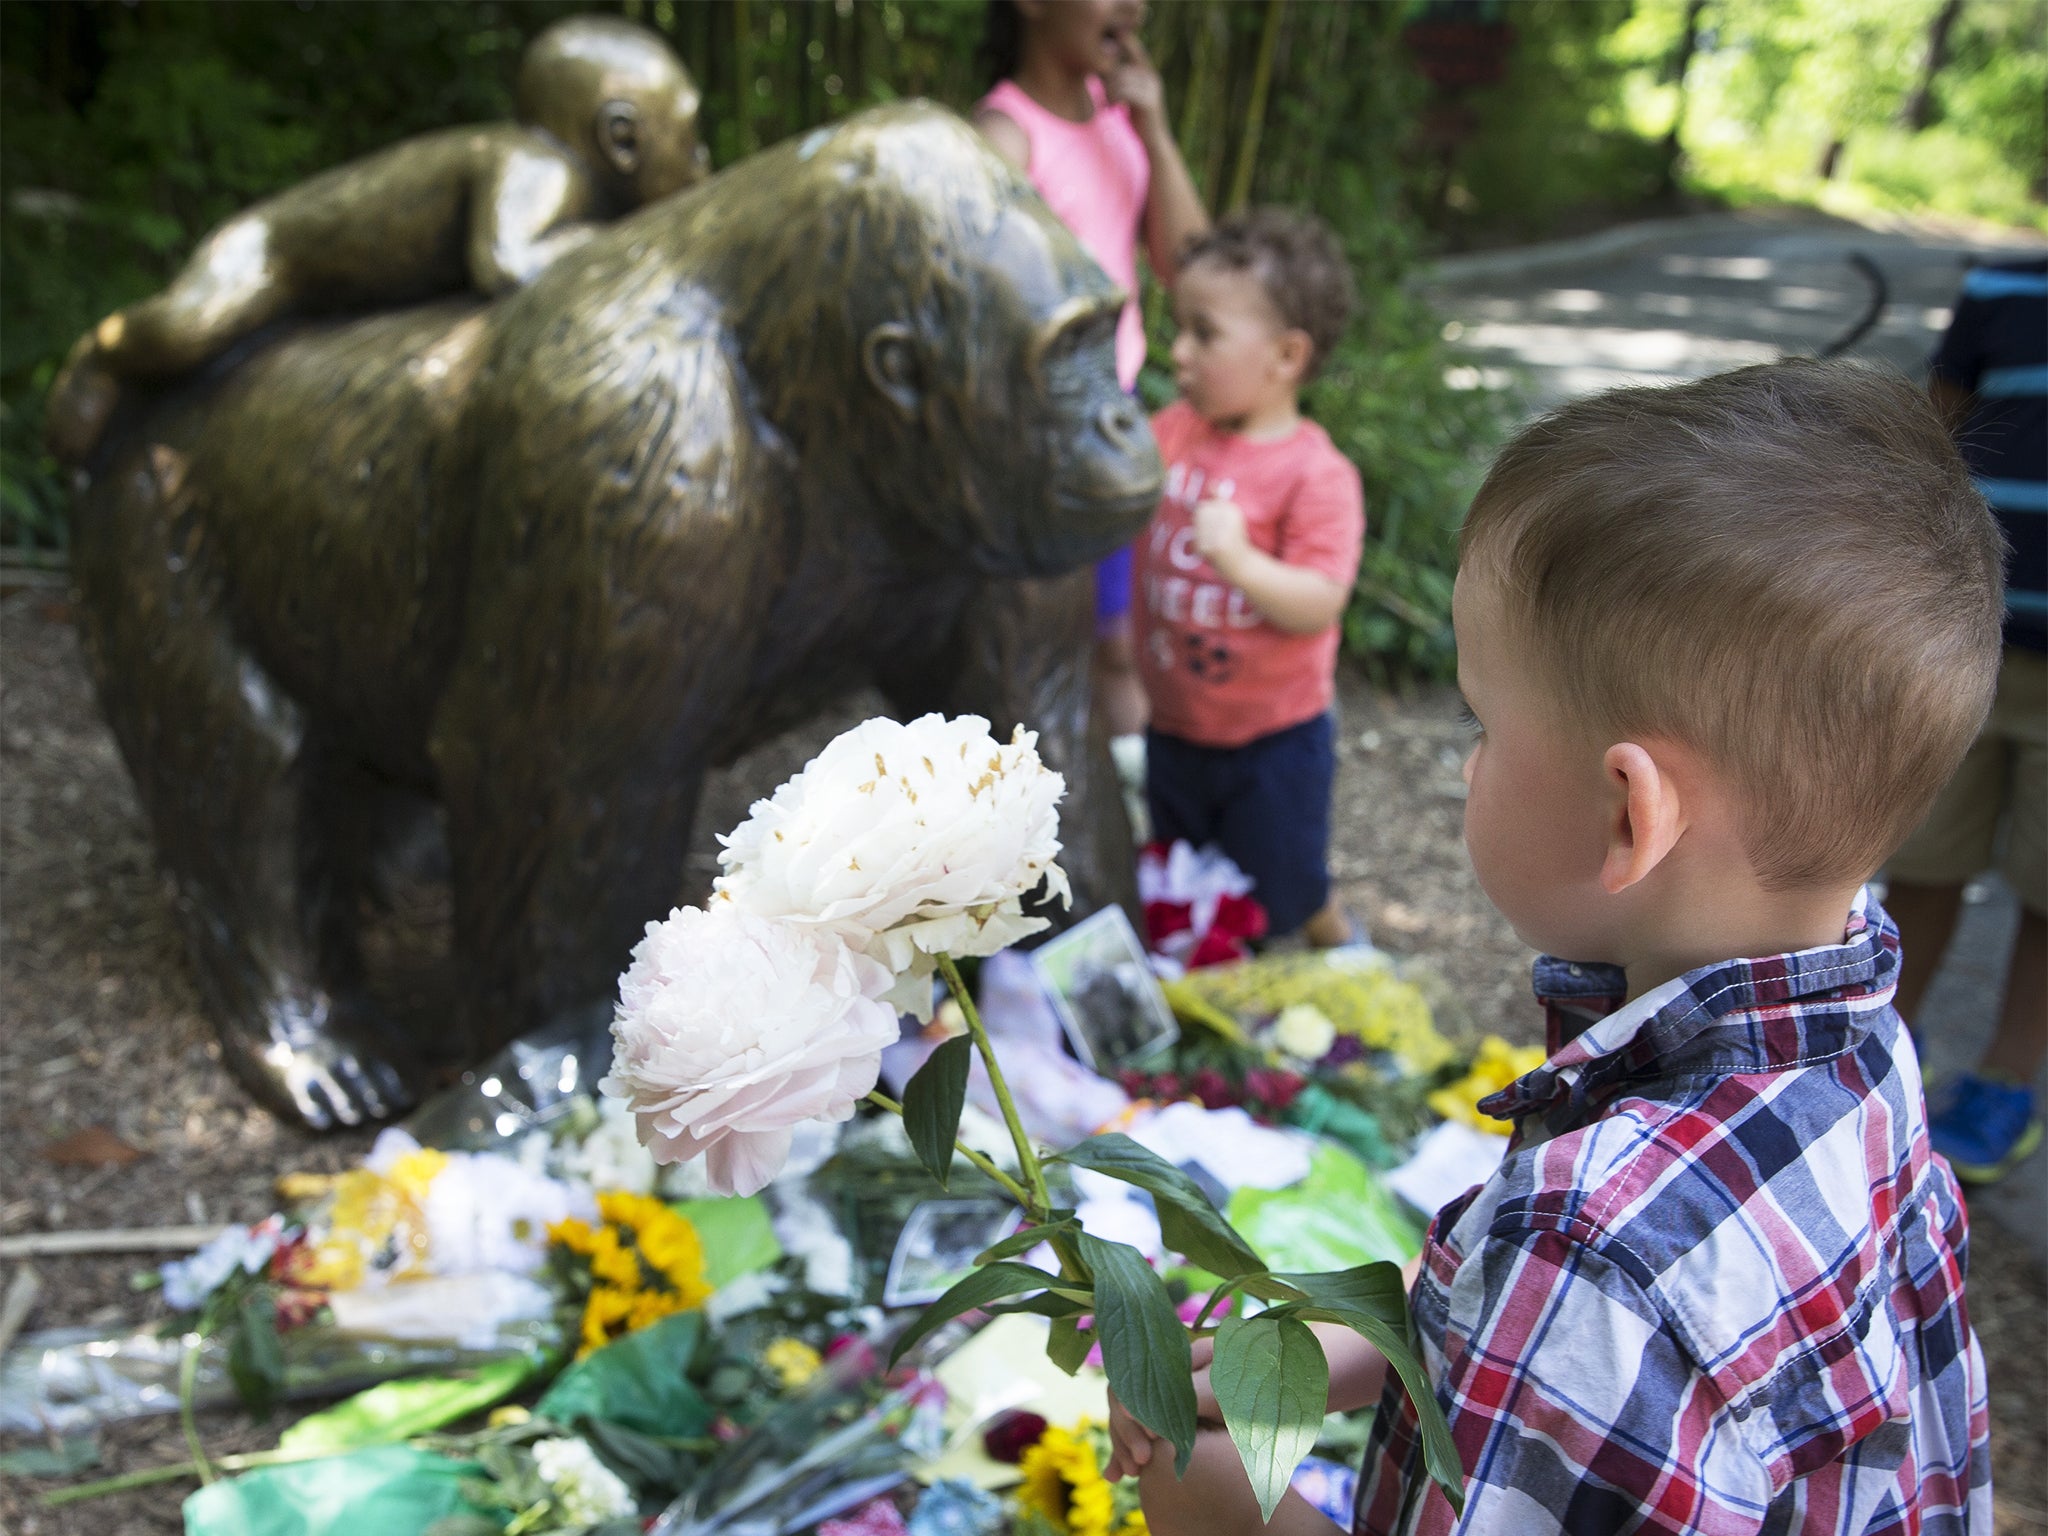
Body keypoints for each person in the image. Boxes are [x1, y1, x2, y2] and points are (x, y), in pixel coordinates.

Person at [1110, 360, 1997, 1534]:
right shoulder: (1854, 1029)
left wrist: (1209, 1499)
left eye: (1484, 722)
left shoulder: (1590, 1244)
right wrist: (1350, 1351)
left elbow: (1588, 1318)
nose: (1468, 763)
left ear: (1629, 815)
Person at [45, 15, 707, 465]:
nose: (702, 162)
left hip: (327, 289)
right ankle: (102, 352)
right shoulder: (538, 167)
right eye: (691, 139)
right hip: (272, 252)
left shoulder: (562, 183)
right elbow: (507, 262)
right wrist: (640, 244)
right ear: (620, 138)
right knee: (185, 328)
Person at [974, 0, 1209, 742]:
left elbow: (1191, 269)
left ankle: (1134, 837)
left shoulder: (1119, 123)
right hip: (1044, 428)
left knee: (1119, 643)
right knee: (1044, 644)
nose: (1135, 7)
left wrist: (1156, 131)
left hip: (1119, 408)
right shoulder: (1003, 135)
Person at [1134, 208, 1363, 947]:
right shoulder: (1172, 433)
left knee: (1281, 888)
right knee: (1188, 881)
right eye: (1180, 328)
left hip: (1273, 742)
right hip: (1175, 728)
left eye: (1205, 333)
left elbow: (1320, 601)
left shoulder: (1315, 474)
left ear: (1286, 356)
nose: (1180, 352)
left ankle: (1344, 955)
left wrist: (1237, 560)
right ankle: (1215, 990)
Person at [1885, 255, 2046, 1184]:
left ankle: (2005, 1081)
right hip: (1969, 639)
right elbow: (1932, 438)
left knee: (2045, 887)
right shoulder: (2002, 293)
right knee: (1924, 857)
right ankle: (1884, 1054)